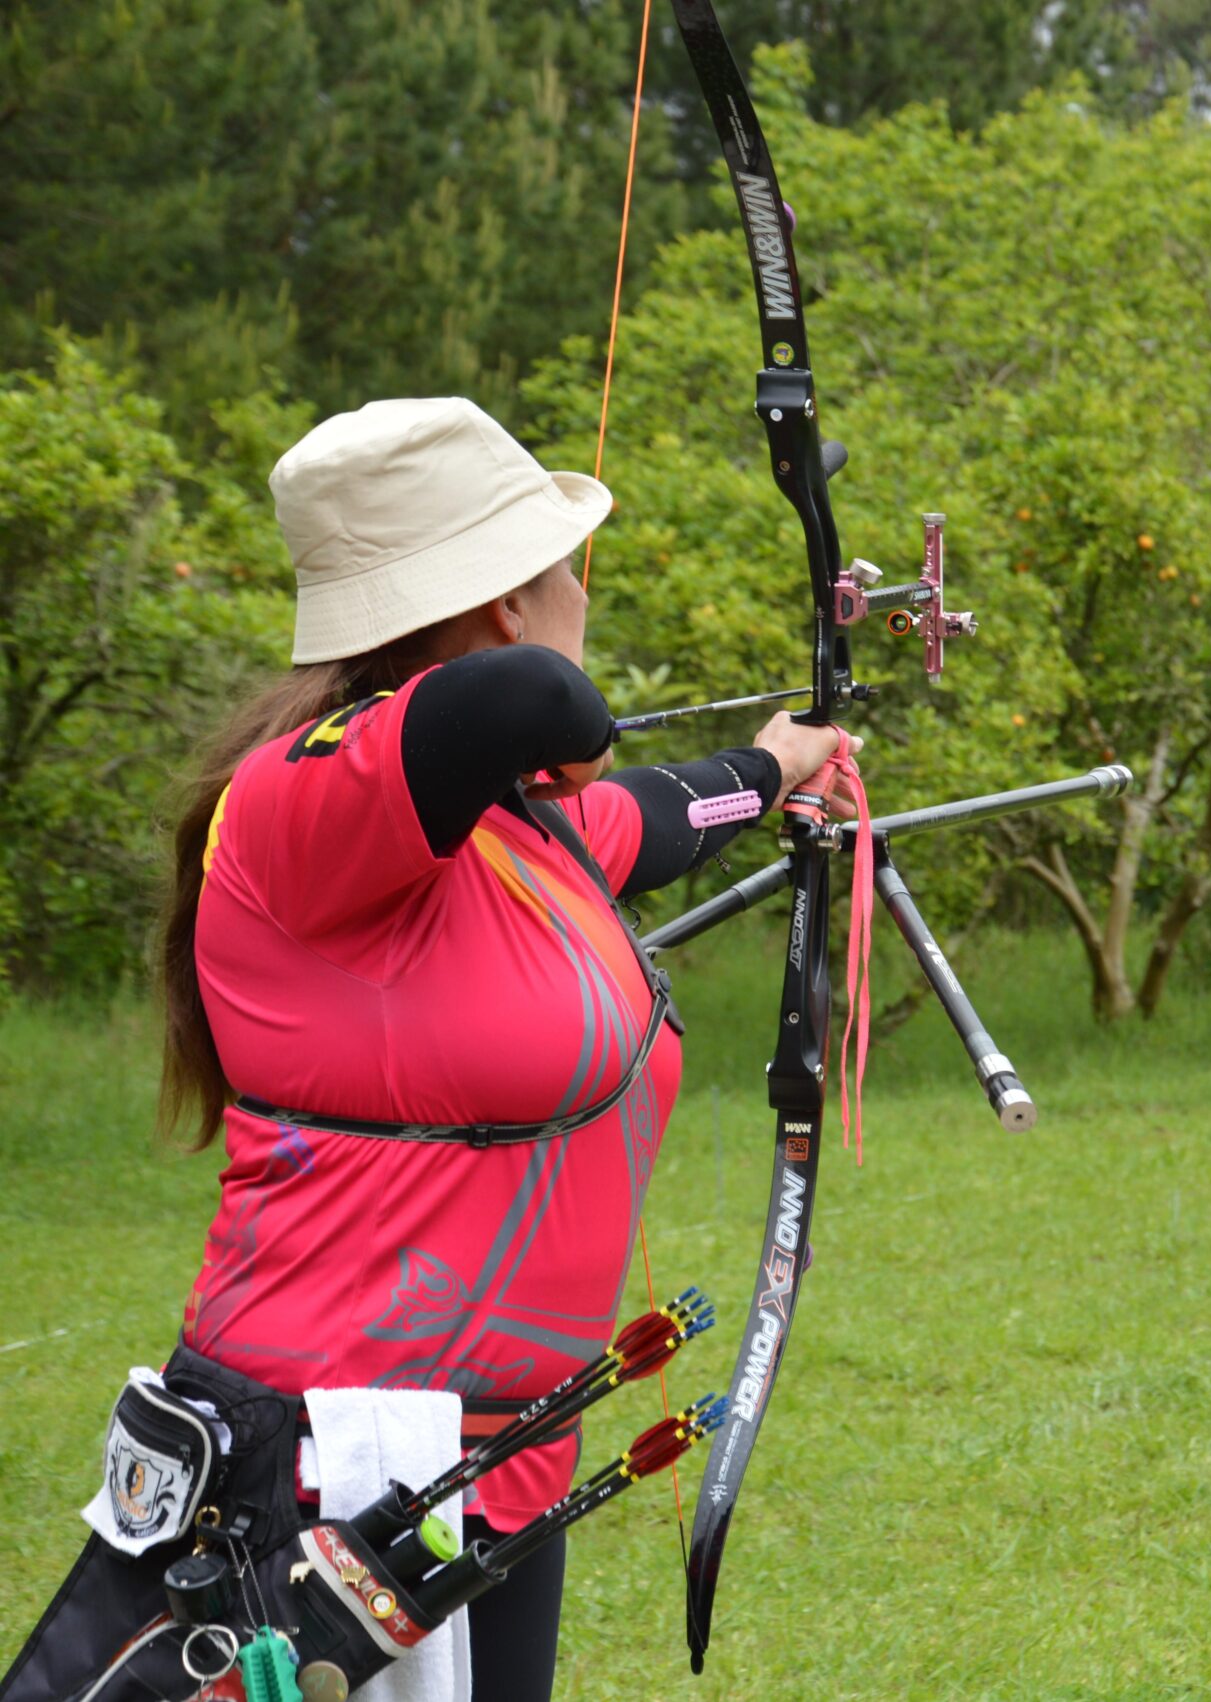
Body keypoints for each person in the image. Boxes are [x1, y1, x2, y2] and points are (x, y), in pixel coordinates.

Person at [0, 397, 857, 1702]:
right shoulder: (302, 799)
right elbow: (535, 698)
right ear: (508, 600)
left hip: (497, 1466)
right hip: (315, 1469)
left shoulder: (533, 838)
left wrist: (777, 765)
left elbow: (665, 811)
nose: (583, 589)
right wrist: (571, 730)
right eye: (564, 564)